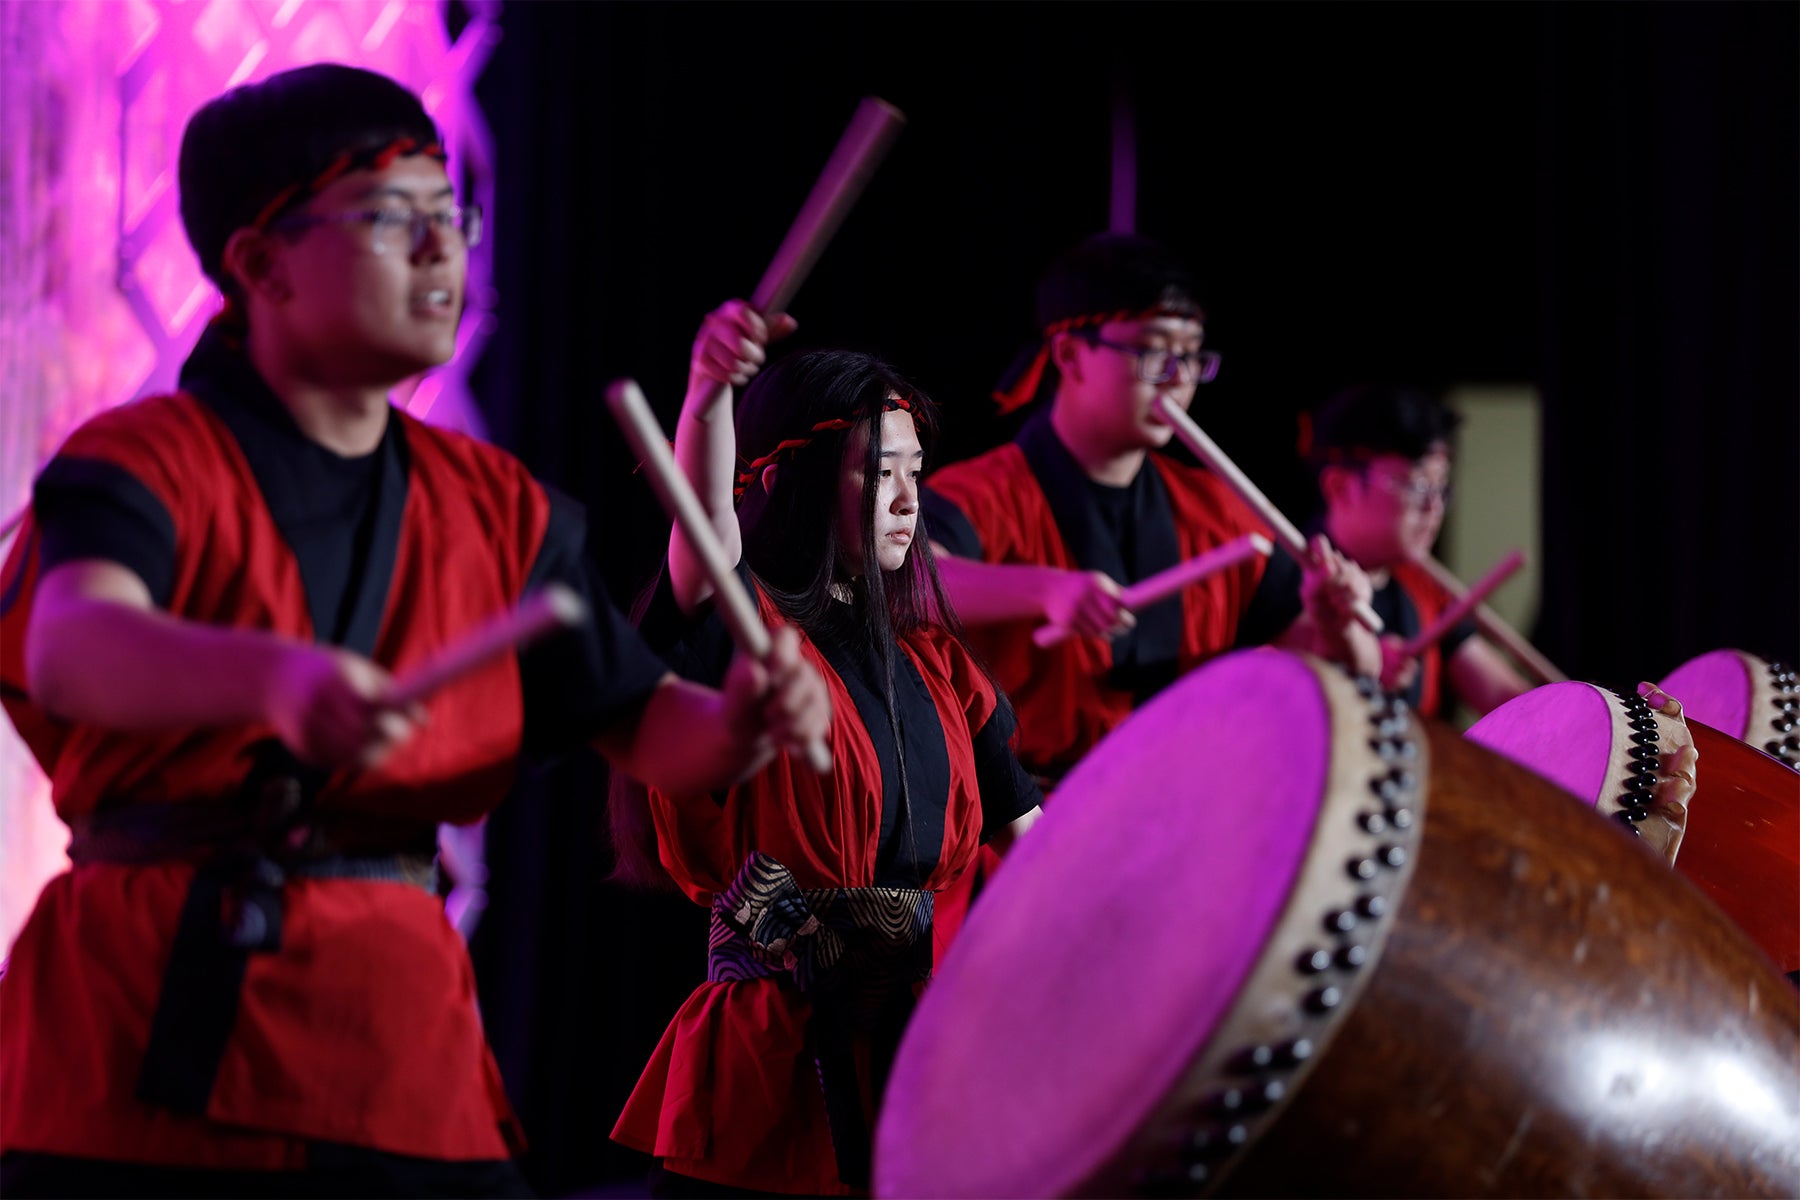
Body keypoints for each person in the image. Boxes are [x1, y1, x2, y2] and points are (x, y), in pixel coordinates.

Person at [0, 64, 828, 1198]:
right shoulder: (141, 459)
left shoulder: (493, 503)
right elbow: (75, 645)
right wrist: (272, 676)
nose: (447, 253)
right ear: (259, 264)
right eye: (396, 220)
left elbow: (651, 730)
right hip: (148, 1013)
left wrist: (741, 722)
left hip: (392, 1024)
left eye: (455, 216)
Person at [608, 300, 1043, 1198]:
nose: (907, 500)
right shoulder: (749, 631)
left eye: (916, 471)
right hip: (774, 1048)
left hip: (915, 1046)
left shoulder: (942, 667)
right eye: (877, 472)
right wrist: (706, 395)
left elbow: (1040, 845)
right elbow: (704, 539)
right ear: (792, 476)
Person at [919, 232, 1378, 951]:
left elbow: (1348, 674)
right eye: (1153, 350)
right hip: (1020, 850)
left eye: (1191, 356)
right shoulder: (983, 494)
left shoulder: (1220, 511)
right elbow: (906, 583)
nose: (1178, 377)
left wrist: (1340, 626)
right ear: (1070, 355)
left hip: (1178, 846)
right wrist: (1043, 589)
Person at [1242, 382, 1532, 719]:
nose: (1433, 507)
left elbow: (1506, 698)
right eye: (1417, 485)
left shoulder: (1425, 589)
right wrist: (1359, 661)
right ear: (1340, 486)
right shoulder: (1285, 576)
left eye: (1440, 489)